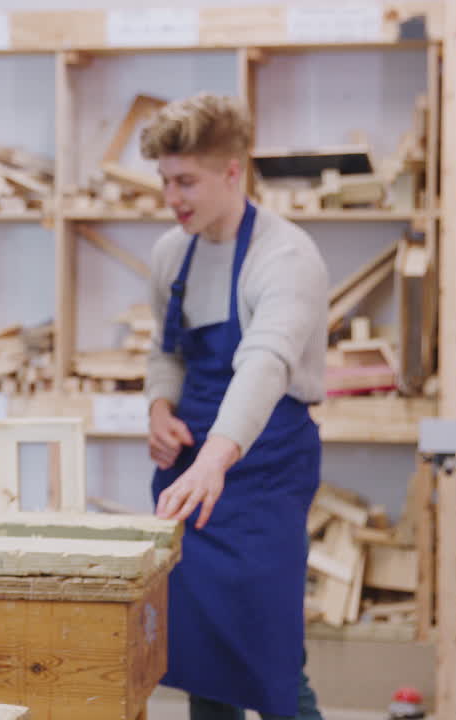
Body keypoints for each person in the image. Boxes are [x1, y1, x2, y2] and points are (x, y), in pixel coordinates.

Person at [141, 93, 329, 720]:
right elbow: (166, 352)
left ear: (231, 171)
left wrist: (214, 462)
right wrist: (159, 409)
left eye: (186, 181)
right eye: (165, 180)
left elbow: (265, 364)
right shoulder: (172, 253)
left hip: (263, 472)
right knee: (204, 657)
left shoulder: (285, 256)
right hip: (192, 474)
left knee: (272, 657)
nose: (172, 197)